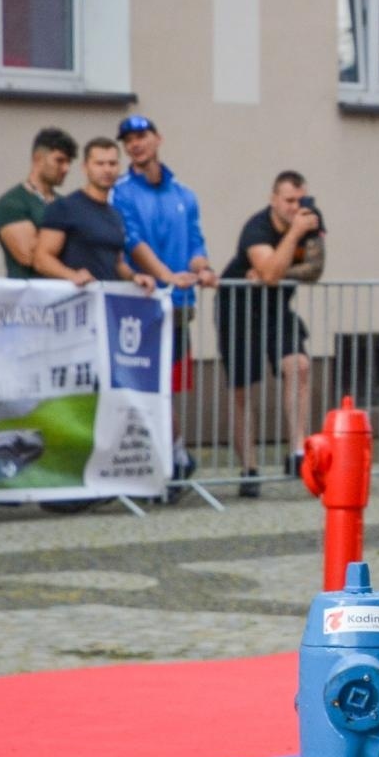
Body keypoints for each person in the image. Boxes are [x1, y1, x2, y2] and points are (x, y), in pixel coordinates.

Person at [113, 114, 217, 489]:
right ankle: (167, 456)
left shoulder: (183, 194)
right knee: (144, 385)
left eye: (141, 136)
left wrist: (203, 268)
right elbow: (132, 241)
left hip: (178, 305)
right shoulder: (121, 191)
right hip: (140, 302)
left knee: (168, 386)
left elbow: (194, 241)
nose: (135, 144)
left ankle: (173, 457)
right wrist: (165, 276)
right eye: (128, 140)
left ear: (158, 138)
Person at [216, 171, 325, 496]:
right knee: (242, 389)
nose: (296, 207)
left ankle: (296, 453)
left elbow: (315, 269)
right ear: (273, 199)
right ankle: (249, 469)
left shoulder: (310, 221)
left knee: (299, 366)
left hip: (277, 309)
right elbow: (271, 272)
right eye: (289, 200)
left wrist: (276, 272)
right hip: (238, 308)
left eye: (300, 200)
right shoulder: (257, 228)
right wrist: (291, 239)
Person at [32, 138, 155, 293]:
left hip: (108, 306)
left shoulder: (115, 214)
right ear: (85, 167)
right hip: (75, 305)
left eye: (112, 163)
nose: (107, 170)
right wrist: (72, 275)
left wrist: (134, 277)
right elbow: (41, 259)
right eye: (100, 163)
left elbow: (116, 262)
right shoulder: (64, 207)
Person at [0, 127, 78, 279]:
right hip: (28, 297)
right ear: (38, 158)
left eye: (69, 162)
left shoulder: (65, 204)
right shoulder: (12, 202)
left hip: (65, 295)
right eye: (59, 160)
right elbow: (31, 256)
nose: (66, 168)